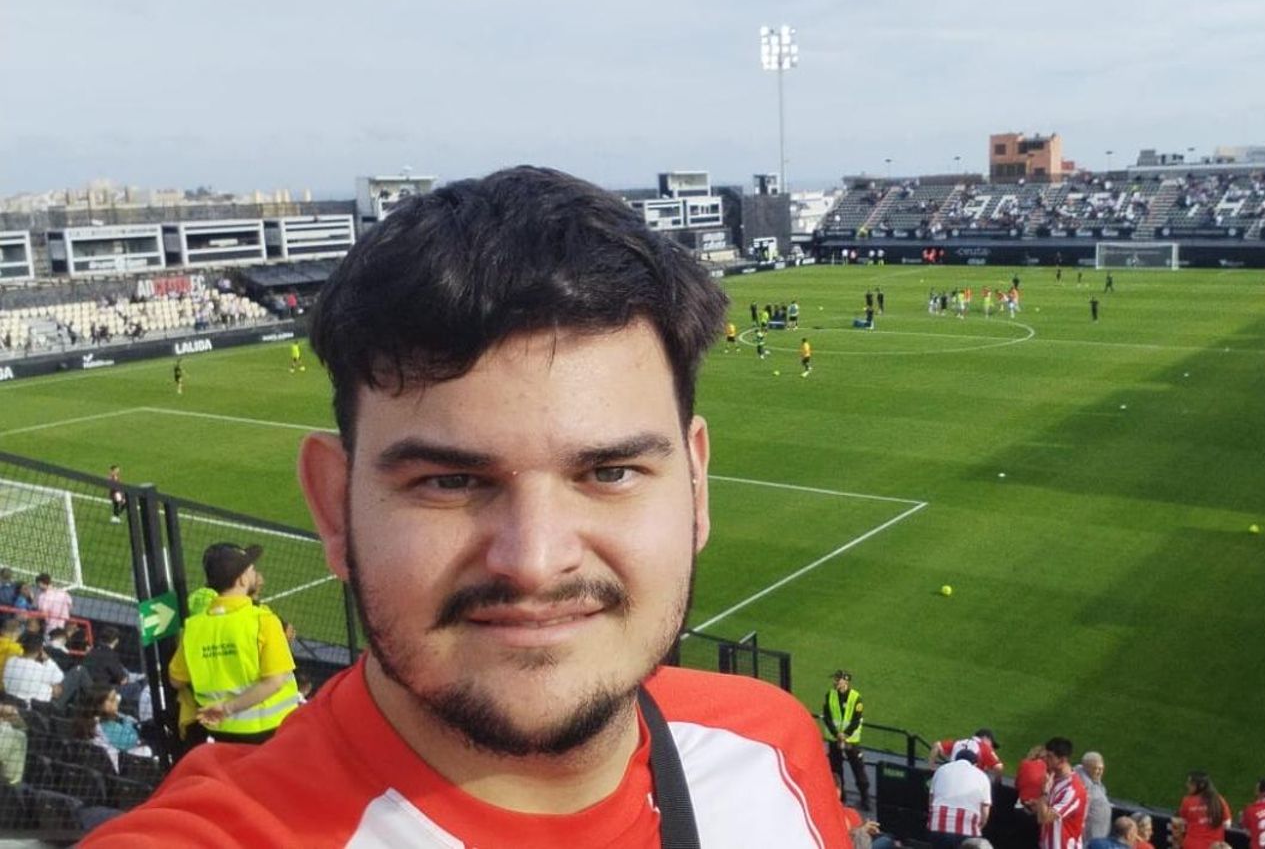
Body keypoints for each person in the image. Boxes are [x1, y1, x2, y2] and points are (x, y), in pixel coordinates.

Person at [89, 166, 851, 847]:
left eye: (612, 471)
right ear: (333, 506)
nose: (534, 558)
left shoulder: (769, 743)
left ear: (695, 486)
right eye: (450, 482)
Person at [167, 542, 298, 744]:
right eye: (252, 570)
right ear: (242, 579)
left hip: (221, 733)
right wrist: (228, 708)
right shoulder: (263, 620)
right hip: (273, 731)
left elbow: (176, 679)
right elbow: (274, 682)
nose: (255, 574)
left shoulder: (194, 627)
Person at [823, 670, 870, 808]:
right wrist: (836, 734)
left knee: (858, 769)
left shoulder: (856, 698)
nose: (835, 682)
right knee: (836, 770)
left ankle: (865, 800)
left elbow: (856, 720)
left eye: (838, 680)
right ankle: (841, 798)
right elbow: (827, 717)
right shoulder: (830, 695)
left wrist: (845, 735)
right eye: (835, 680)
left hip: (851, 741)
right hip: (834, 739)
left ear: (846, 681)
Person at [927, 748, 991, 848]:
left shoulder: (941, 769)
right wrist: (979, 827)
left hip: (938, 824)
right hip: (967, 829)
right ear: (975, 764)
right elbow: (985, 812)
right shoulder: (982, 776)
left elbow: (931, 800)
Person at [1037, 736, 1086, 849]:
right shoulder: (1052, 778)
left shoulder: (1072, 790)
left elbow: (1044, 818)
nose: (1045, 759)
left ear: (1062, 760)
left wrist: (1043, 792)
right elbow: (1041, 813)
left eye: (1050, 757)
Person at [2, 631, 63, 704]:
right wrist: (47, 659)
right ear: (41, 649)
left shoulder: (11, 661)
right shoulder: (40, 668)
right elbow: (60, 677)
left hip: (10, 700)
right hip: (32, 707)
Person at [1176, 771, 1231, 849]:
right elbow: (1227, 824)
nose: (1187, 785)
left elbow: (1182, 822)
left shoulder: (1187, 801)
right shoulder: (1219, 800)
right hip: (1214, 846)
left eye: (1191, 783)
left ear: (1201, 786)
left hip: (1192, 845)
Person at [930, 728, 1005, 777]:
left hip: (950, 778)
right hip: (969, 783)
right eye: (991, 743)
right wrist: (998, 782)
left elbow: (937, 745)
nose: (991, 747)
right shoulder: (984, 748)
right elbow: (999, 767)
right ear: (985, 738)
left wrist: (931, 767)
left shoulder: (959, 742)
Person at [1076, 751, 1110, 841]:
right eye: (1096, 769)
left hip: (1099, 833)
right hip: (1088, 835)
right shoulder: (1082, 785)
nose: (1099, 772)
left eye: (1101, 769)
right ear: (1086, 768)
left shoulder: (1094, 781)